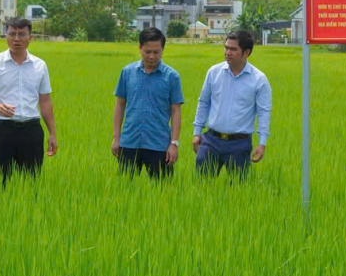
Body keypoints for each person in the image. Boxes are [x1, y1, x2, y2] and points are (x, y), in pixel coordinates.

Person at [0, 17, 58, 185]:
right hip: (1, 130)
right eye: (12, 34)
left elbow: (45, 101)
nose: (16, 39)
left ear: (30, 38)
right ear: (6, 36)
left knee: (31, 182)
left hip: (31, 130)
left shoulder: (40, 66)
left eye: (21, 34)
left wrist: (52, 133)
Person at [192, 30, 271, 180]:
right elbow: (203, 103)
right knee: (202, 188)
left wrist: (262, 143)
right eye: (226, 47)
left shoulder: (258, 79)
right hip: (211, 141)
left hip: (239, 144)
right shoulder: (214, 72)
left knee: (238, 191)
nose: (228, 52)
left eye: (233, 49)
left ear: (246, 52)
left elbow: (263, 112)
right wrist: (197, 133)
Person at [112, 27, 184, 180]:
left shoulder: (172, 77)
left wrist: (174, 144)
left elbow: (176, 110)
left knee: (163, 194)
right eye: (147, 51)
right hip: (130, 142)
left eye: (156, 52)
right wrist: (116, 138)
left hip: (159, 144)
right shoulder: (127, 72)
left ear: (163, 50)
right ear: (140, 48)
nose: (152, 56)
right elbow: (120, 105)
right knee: (124, 190)